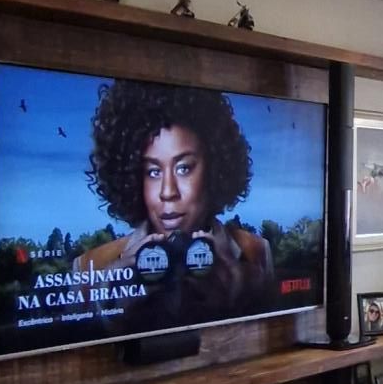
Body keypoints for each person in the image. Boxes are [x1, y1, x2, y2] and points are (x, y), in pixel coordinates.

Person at [73, 80, 275, 328]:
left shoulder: (256, 252)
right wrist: (110, 314)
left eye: (183, 168)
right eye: (153, 172)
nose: (168, 192)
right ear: (131, 177)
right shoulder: (89, 269)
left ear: (215, 168)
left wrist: (239, 302)